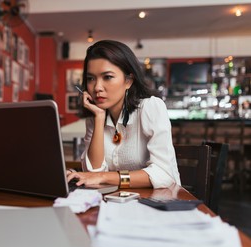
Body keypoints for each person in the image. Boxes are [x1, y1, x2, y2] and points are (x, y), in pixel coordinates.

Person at [67, 40, 180, 189]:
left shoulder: (150, 107)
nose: (97, 87)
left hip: (160, 202)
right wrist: (99, 118)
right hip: (118, 200)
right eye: (91, 79)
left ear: (128, 81)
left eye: (107, 77)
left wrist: (104, 177)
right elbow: (93, 172)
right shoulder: (95, 118)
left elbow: (164, 175)